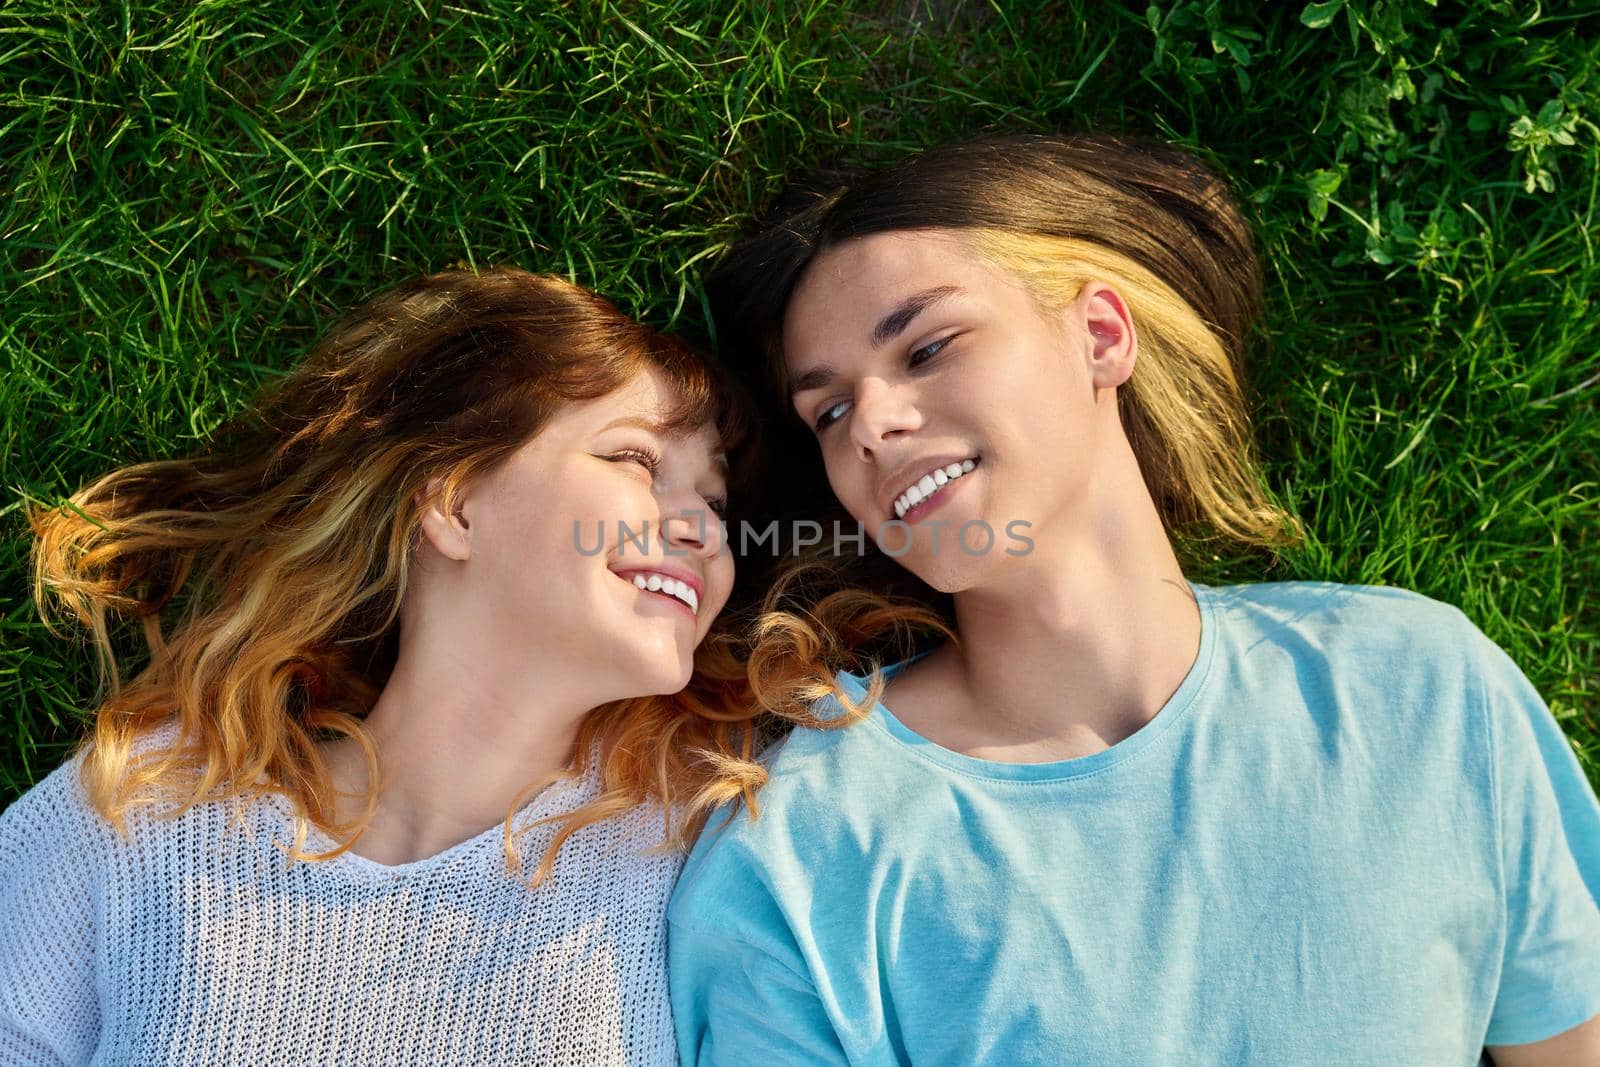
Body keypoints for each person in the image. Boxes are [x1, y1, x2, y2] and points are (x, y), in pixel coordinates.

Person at [667, 134, 1600, 1066]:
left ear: (1101, 336)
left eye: (928, 346)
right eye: (827, 411)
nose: (871, 422)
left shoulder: (1420, 686)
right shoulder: (799, 860)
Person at [0, 266, 765, 1066]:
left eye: (715, 504)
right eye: (637, 462)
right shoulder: (149, 806)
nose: (701, 531)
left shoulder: (703, 837)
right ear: (456, 505)